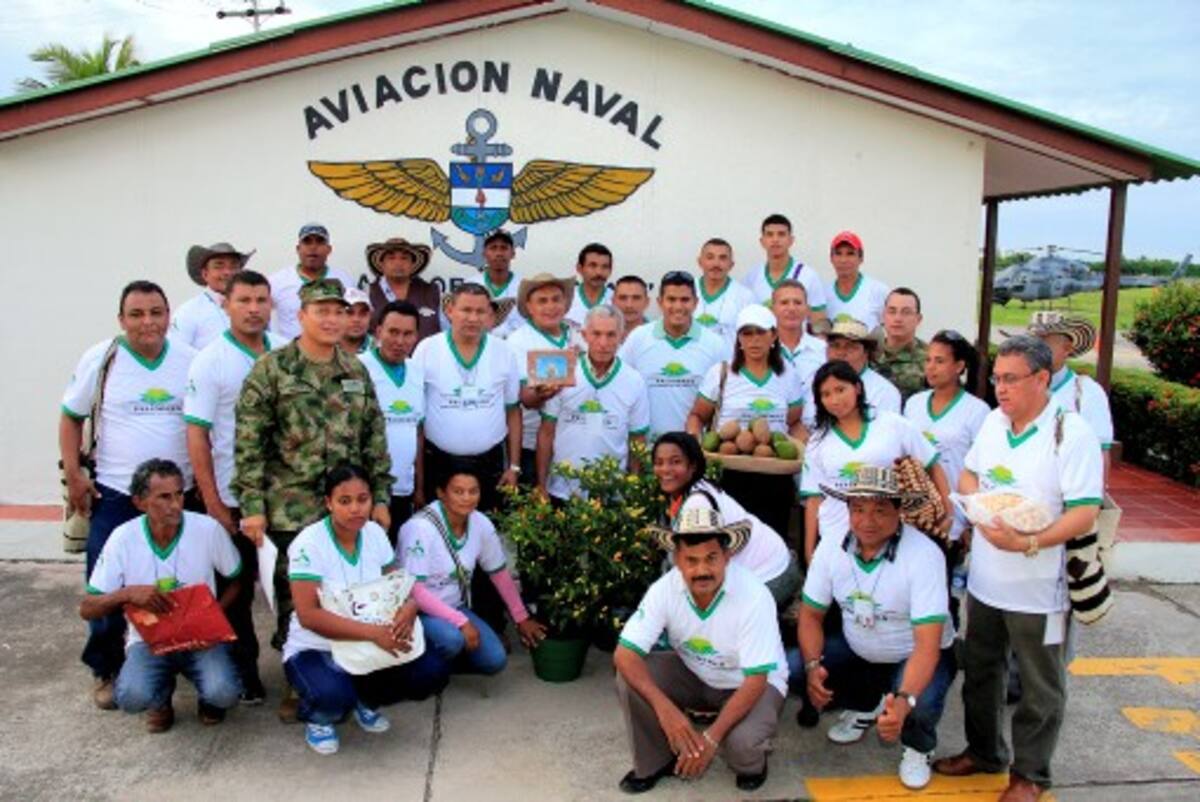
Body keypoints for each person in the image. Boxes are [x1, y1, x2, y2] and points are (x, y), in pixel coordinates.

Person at [933, 335, 1103, 802]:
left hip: (1039, 587)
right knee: (982, 673)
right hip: (987, 583)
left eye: (1011, 379)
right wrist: (978, 507)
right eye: (997, 379)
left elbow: (1084, 511)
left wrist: (1028, 540)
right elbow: (970, 475)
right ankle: (984, 752)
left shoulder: (1070, 432)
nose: (1000, 389)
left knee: (1039, 685)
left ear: (1042, 379)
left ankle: (1030, 775)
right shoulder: (993, 423)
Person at [234, 277, 393, 704]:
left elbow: (374, 437)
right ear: (301, 316)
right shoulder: (272, 369)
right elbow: (250, 443)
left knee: (349, 592)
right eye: (320, 310)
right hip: (291, 505)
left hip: (348, 509)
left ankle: (347, 668)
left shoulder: (356, 369)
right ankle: (298, 680)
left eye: (338, 311)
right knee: (293, 598)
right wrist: (252, 507)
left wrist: (379, 498)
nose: (330, 319)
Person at [61, 279, 197, 709]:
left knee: (186, 581)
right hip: (116, 493)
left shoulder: (190, 361)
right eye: (137, 314)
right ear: (122, 319)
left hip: (181, 494)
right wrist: (74, 475)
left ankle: (186, 657)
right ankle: (106, 668)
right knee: (106, 587)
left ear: (168, 315)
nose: (148, 322)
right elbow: (70, 418)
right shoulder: (101, 359)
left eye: (156, 312)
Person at [796, 466, 957, 790]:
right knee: (793, 668)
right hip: (860, 647)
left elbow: (927, 647)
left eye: (880, 510)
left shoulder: (924, 556)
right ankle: (866, 704)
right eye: (858, 509)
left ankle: (918, 745)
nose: (867, 521)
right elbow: (810, 615)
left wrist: (904, 700)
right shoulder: (831, 548)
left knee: (919, 703)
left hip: (914, 655)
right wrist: (814, 666)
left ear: (900, 511)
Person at [613, 506, 787, 794]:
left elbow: (756, 679)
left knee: (742, 748)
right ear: (677, 560)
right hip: (695, 673)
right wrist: (666, 710)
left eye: (711, 558)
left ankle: (752, 759)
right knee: (629, 678)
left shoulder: (755, 595)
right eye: (691, 560)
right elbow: (623, 654)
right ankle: (656, 761)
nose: (702, 570)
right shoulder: (664, 589)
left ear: (728, 556)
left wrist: (711, 739)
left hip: (750, 683)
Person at [282, 464, 451, 755]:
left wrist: (409, 607)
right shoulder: (309, 544)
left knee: (432, 671)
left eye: (363, 499)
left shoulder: (374, 533)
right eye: (344, 501)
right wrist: (374, 634)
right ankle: (319, 717)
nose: (355, 509)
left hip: (371, 641)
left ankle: (366, 699)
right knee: (332, 696)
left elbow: (397, 584)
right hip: (317, 646)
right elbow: (309, 615)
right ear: (328, 503)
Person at [81, 459, 243, 733]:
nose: (176, 504)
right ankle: (160, 697)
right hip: (149, 640)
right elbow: (87, 608)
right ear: (140, 502)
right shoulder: (123, 538)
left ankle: (209, 699)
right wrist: (128, 594)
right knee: (130, 698)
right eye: (164, 497)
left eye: (179, 494)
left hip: (201, 638)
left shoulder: (206, 529)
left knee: (225, 692)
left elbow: (237, 579)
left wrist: (212, 615)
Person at [185, 270, 281, 704]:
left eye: (262, 300)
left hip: (284, 496)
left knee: (287, 588)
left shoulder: (286, 351)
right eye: (244, 300)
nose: (254, 308)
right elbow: (197, 434)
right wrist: (213, 503)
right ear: (226, 304)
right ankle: (246, 674)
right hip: (234, 497)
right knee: (238, 593)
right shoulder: (210, 360)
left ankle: (297, 668)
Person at [799, 360, 949, 566]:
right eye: (826, 394)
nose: (834, 400)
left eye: (840, 389)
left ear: (857, 388)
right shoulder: (818, 441)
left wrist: (947, 514)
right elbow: (814, 500)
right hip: (836, 533)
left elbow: (933, 465)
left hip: (889, 530)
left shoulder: (893, 424)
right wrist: (810, 552)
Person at [398, 469, 547, 675]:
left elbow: (499, 574)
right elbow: (415, 592)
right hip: (419, 612)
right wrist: (462, 622)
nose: (467, 498)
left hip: (455, 607)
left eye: (473, 491)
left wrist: (521, 618)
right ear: (441, 493)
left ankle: (445, 659)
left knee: (495, 661)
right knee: (451, 639)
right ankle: (421, 666)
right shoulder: (419, 528)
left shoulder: (480, 522)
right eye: (458, 491)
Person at [687, 304, 804, 538]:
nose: (754, 340)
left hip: (775, 476)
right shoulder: (721, 373)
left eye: (760, 332)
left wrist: (804, 452)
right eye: (747, 333)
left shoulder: (787, 374)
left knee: (771, 541)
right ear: (738, 339)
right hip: (728, 475)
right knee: (727, 541)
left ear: (773, 335)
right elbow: (697, 416)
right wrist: (695, 446)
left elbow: (794, 423)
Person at [408, 282, 522, 513]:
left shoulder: (504, 352)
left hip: (489, 464)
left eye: (480, 311)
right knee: (438, 534)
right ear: (450, 310)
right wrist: (418, 482)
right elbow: (416, 422)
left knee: (486, 532)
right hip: (438, 461)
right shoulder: (427, 349)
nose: (473, 318)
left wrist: (514, 467)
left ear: (489, 314)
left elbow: (513, 411)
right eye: (466, 310)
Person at [652, 433, 797, 605]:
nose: (665, 469)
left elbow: (702, 566)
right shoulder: (693, 488)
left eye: (675, 462)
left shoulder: (697, 504)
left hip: (771, 577)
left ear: (692, 466)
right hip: (777, 563)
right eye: (659, 462)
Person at [537, 305, 650, 501]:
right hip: (562, 489)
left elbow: (637, 439)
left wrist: (632, 487)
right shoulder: (561, 368)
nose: (603, 343)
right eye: (596, 334)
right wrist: (540, 484)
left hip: (611, 492)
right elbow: (547, 431)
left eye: (611, 335)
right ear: (584, 335)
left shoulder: (635, 380)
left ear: (622, 336)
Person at [903, 330, 991, 542]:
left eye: (939, 361)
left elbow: (982, 469)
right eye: (928, 360)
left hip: (956, 520)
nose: (931, 367)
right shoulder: (913, 404)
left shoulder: (977, 410)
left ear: (959, 367)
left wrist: (971, 522)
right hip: (916, 514)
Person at [619, 272, 726, 442]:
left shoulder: (715, 345)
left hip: (694, 453)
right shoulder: (638, 338)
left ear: (696, 303)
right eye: (671, 299)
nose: (678, 306)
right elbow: (620, 387)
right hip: (646, 450)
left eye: (685, 300)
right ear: (660, 302)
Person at [358, 301, 426, 545]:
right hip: (365, 492)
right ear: (378, 332)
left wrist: (418, 487)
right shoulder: (358, 368)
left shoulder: (418, 371)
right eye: (393, 332)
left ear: (417, 336)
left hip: (403, 489)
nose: (400, 341)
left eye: (407, 334)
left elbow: (417, 431)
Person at [505, 273, 582, 483]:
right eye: (542, 301)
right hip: (531, 446)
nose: (551, 306)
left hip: (574, 443)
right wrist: (541, 394)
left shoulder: (580, 335)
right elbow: (526, 399)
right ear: (529, 307)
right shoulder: (518, 342)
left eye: (556, 299)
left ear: (566, 303)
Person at [1025, 312, 1114, 479]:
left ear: (1067, 348)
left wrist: (1094, 500)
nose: (1034, 352)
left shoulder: (1086, 392)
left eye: (1043, 344)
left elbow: (1100, 451)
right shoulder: (1020, 386)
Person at [801, 318, 900, 427]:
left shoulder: (884, 392)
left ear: (866, 353)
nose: (841, 353)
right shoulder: (812, 381)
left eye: (851, 347)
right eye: (835, 345)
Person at [269, 224, 357, 341]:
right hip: (289, 355)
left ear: (329, 249)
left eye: (320, 242)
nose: (313, 247)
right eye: (307, 242)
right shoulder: (277, 281)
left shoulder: (345, 281)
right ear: (298, 249)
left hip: (332, 352)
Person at [745, 213, 828, 327]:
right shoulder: (752, 277)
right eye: (770, 235)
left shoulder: (808, 275)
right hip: (763, 344)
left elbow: (819, 321)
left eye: (781, 234)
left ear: (791, 240)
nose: (775, 240)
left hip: (797, 343)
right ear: (762, 241)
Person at [172, 242, 252, 350]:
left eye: (233, 266)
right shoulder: (188, 312)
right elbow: (177, 352)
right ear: (205, 274)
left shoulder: (253, 308)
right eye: (219, 266)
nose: (227, 272)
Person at [364, 236, 442, 343]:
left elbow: (448, 333)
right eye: (391, 258)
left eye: (404, 258)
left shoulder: (433, 293)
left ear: (413, 264)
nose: (398, 263)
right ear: (381, 264)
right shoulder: (367, 293)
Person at [693, 238, 754, 350]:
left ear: (731, 264)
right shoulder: (687, 290)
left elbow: (752, 338)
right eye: (710, 257)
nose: (716, 263)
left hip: (728, 365)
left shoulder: (745, 297)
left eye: (723, 258)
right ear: (700, 262)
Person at [824, 231, 890, 332]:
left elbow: (890, 330)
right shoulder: (823, 294)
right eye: (838, 253)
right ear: (831, 258)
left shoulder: (879, 291)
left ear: (861, 258)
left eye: (850, 254)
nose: (843, 260)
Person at [873, 288, 928, 402]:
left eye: (906, 312)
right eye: (892, 311)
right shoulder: (868, 353)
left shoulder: (930, 357)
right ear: (883, 316)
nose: (898, 318)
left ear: (918, 319)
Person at [772, 279, 826, 393]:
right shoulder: (763, 350)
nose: (791, 308)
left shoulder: (823, 350)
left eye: (798, 302)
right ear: (773, 309)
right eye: (784, 302)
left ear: (807, 309)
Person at [479, 229, 522, 338]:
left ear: (513, 253)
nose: (498, 253)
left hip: (515, 349)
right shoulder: (471, 285)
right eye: (493, 248)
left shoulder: (524, 287)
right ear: (484, 253)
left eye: (504, 248)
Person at [565, 242, 614, 326]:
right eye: (593, 266)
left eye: (604, 267)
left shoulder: (617, 300)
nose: (599, 272)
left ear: (610, 270)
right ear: (579, 268)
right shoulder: (565, 299)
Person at [612, 275, 651, 342]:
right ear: (613, 302)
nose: (629, 305)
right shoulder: (599, 335)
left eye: (636, 298)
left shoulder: (659, 337)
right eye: (623, 298)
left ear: (646, 302)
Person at [340, 287, 374, 354]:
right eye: (349, 313)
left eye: (363, 314)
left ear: (370, 316)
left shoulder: (381, 352)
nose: (356, 319)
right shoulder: (323, 346)